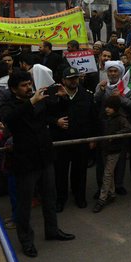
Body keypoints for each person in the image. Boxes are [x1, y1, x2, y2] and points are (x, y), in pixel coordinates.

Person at [0, 71, 75, 258]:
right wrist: (31, 102)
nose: (28, 88)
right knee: (25, 204)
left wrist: (63, 100)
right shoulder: (10, 104)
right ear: (13, 88)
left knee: (50, 196)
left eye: (29, 84)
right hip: (26, 161)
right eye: (24, 85)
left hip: (45, 156)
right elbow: (9, 119)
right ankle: (26, 240)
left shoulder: (38, 99)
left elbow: (50, 115)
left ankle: (52, 230)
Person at [48, 67, 95, 212]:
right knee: (60, 172)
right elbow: (45, 115)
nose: (73, 81)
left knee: (80, 170)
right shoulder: (53, 95)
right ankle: (60, 199)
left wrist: (92, 138)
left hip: (80, 140)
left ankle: (79, 196)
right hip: (61, 141)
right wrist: (56, 121)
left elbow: (93, 117)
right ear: (63, 80)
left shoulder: (87, 95)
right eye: (70, 78)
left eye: (75, 78)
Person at [93, 96, 131, 213]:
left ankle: (102, 199)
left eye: (110, 107)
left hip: (114, 151)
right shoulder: (105, 117)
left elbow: (128, 128)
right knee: (108, 173)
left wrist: (115, 136)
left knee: (107, 174)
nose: (107, 109)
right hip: (105, 149)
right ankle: (111, 193)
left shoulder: (120, 118)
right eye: (106, 107)